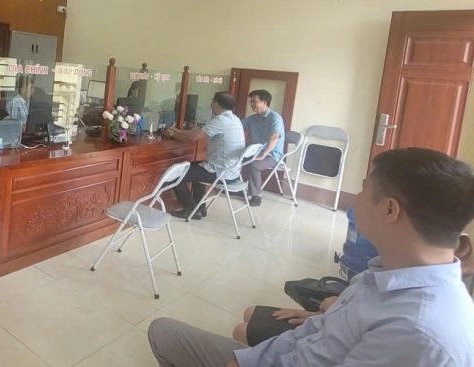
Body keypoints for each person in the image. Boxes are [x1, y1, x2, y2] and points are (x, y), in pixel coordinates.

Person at [148, 147, 474, 367]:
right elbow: (314, 335)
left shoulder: (417, 334)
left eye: (364, 187)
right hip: (283, 355)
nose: (355, 198)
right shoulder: (387, 273)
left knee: (164, 334)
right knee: (165, 331)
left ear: (389, 210)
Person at [233, 234, 474, 347]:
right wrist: (319, 314)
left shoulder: (429, 307)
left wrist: (332, 310)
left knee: (242, 331)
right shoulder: (395, 265)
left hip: (347, 338)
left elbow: (378, 322)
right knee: (250, 313)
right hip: (340, 323)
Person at [161, 92, 246, 220]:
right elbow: (199, 132)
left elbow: (195, 136)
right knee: (195, 166)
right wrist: (177, 131)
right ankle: (200, 208)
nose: (210, 104)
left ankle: (191, 209)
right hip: (232, 172)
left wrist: (172, 134)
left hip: (221, 173)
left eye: (212, 100)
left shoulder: (220, 121)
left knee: (175, 174)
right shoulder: (234, 119)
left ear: (216, 103)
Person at [241, 90, 285, 207]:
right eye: (251, 102)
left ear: (264, 102)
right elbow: (238, 125)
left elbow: (275, 136)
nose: (251, 104)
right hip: (255, 152)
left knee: (254, 165)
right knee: (236, 158)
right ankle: (235, 187)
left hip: (272, 155)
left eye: (254, 101)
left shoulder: (275, 118)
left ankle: (256, 196)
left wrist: (264, 154)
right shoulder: (253, 118)